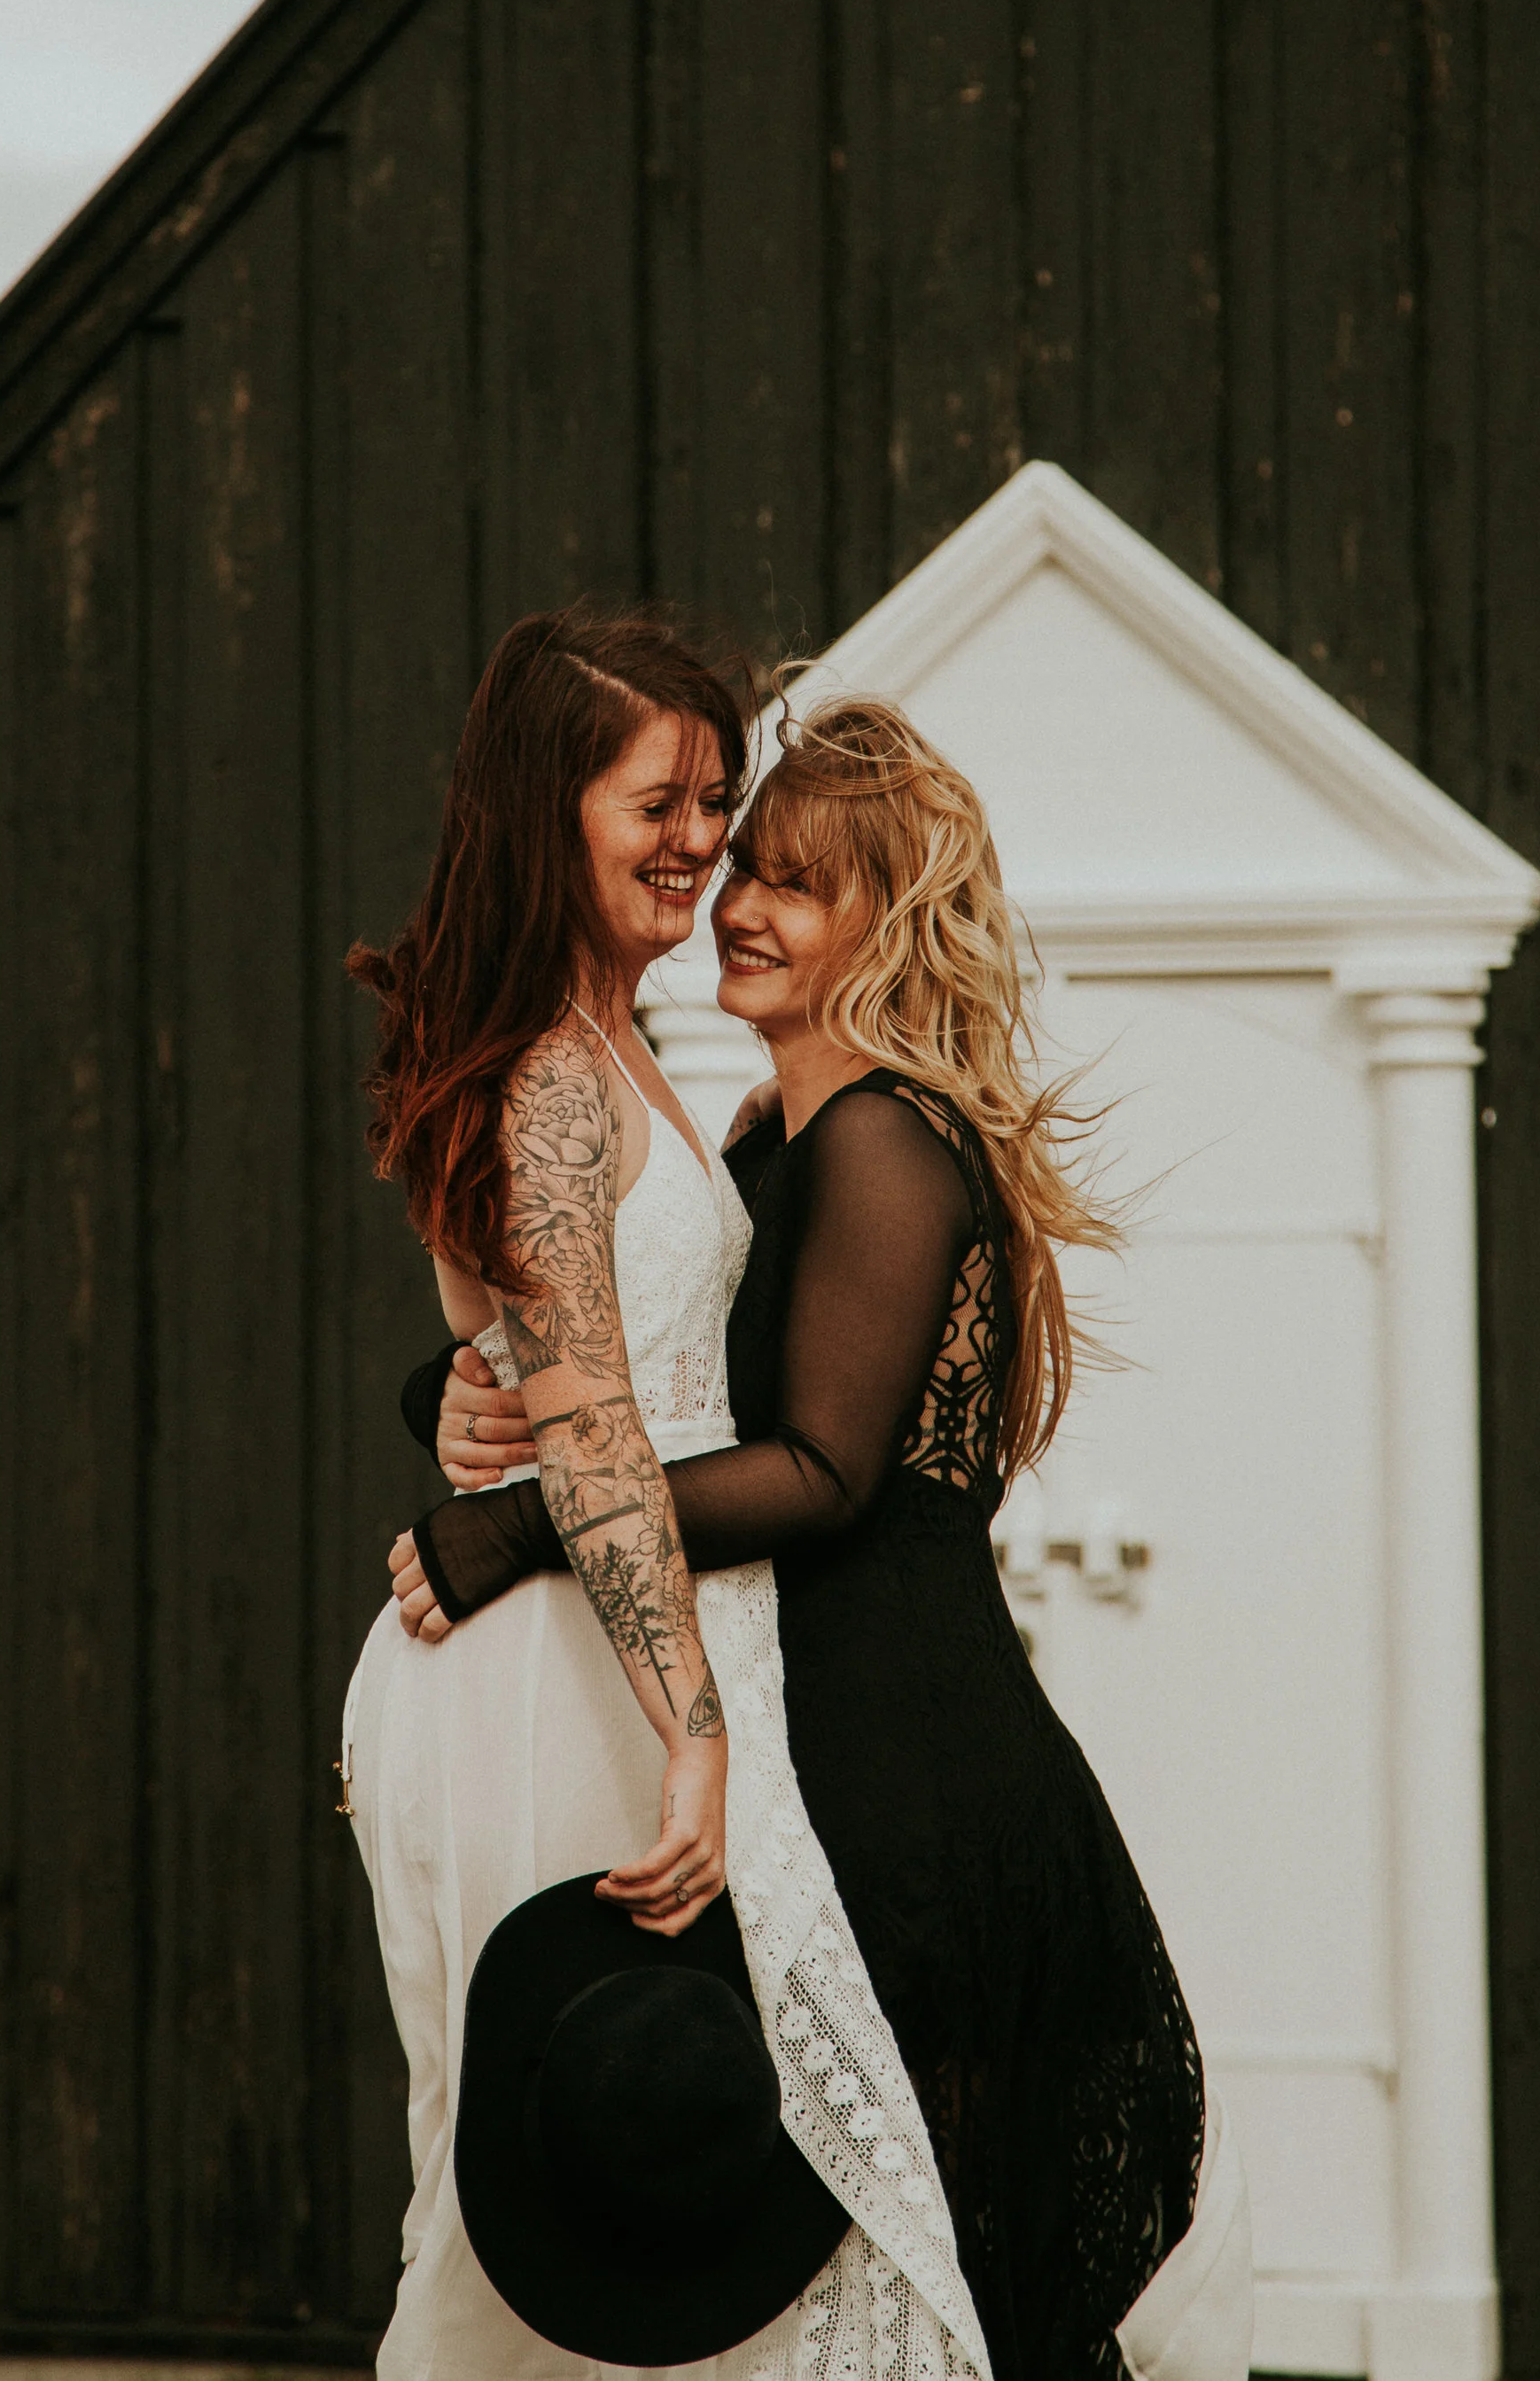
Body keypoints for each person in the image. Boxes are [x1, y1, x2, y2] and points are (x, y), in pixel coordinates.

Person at [389, 699, 1251, 2381]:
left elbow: (821, 1472)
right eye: (747, 867)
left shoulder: (880, 1137)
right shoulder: (772, 1135)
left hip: (920, 1768)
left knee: (954, 2254)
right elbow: (663, 1377)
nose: (742, 904)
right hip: (833, 1741)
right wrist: (460, 1388)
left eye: (798, 884)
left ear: (893, 919)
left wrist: (528, 1526)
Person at [340, 618, 989, 2381]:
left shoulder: (612, 1053)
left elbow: (565, 1381)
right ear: (550, 807)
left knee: (667, 2194)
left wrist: (481, 1393)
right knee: (551, 2202)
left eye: (716, 796)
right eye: (663, 798)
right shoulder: (553, 1082)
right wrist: (691, 1729)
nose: (699, 840)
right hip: (568, 1685)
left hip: (620, 1650)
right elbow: (605, 1430)